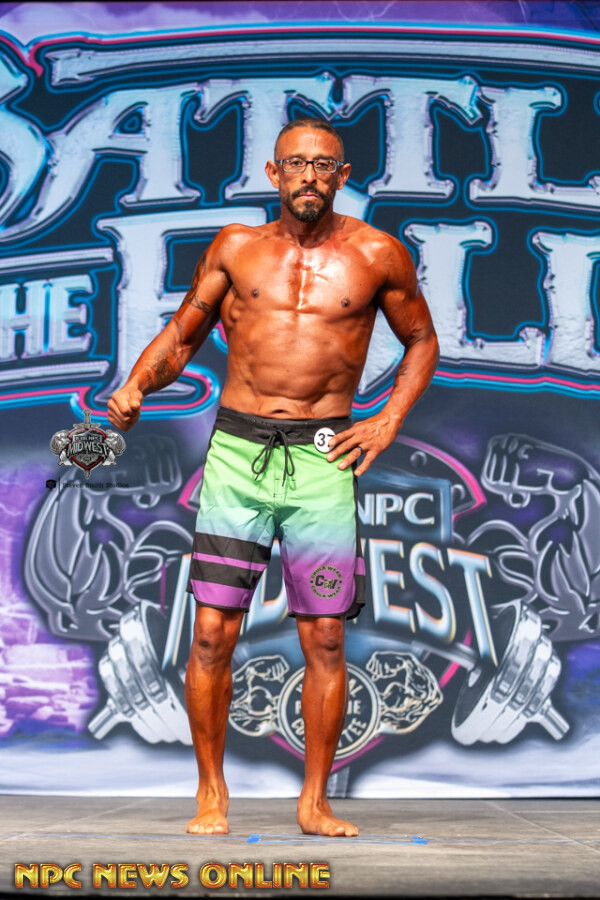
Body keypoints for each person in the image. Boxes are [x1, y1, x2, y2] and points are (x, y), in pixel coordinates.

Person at [107, 117, 439, 837]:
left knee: (325, 637)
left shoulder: (377, 254)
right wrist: (136, 384)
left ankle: (315, 802)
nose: (309, 176)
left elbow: (421, 340)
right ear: (273, 172)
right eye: (296, 163)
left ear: (342, 175)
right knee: (211, 633)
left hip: (322, 459)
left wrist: (386, 421)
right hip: (238, 455)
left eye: (323, 165)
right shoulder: (236, 248)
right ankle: (211, 794)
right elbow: (183, 333)